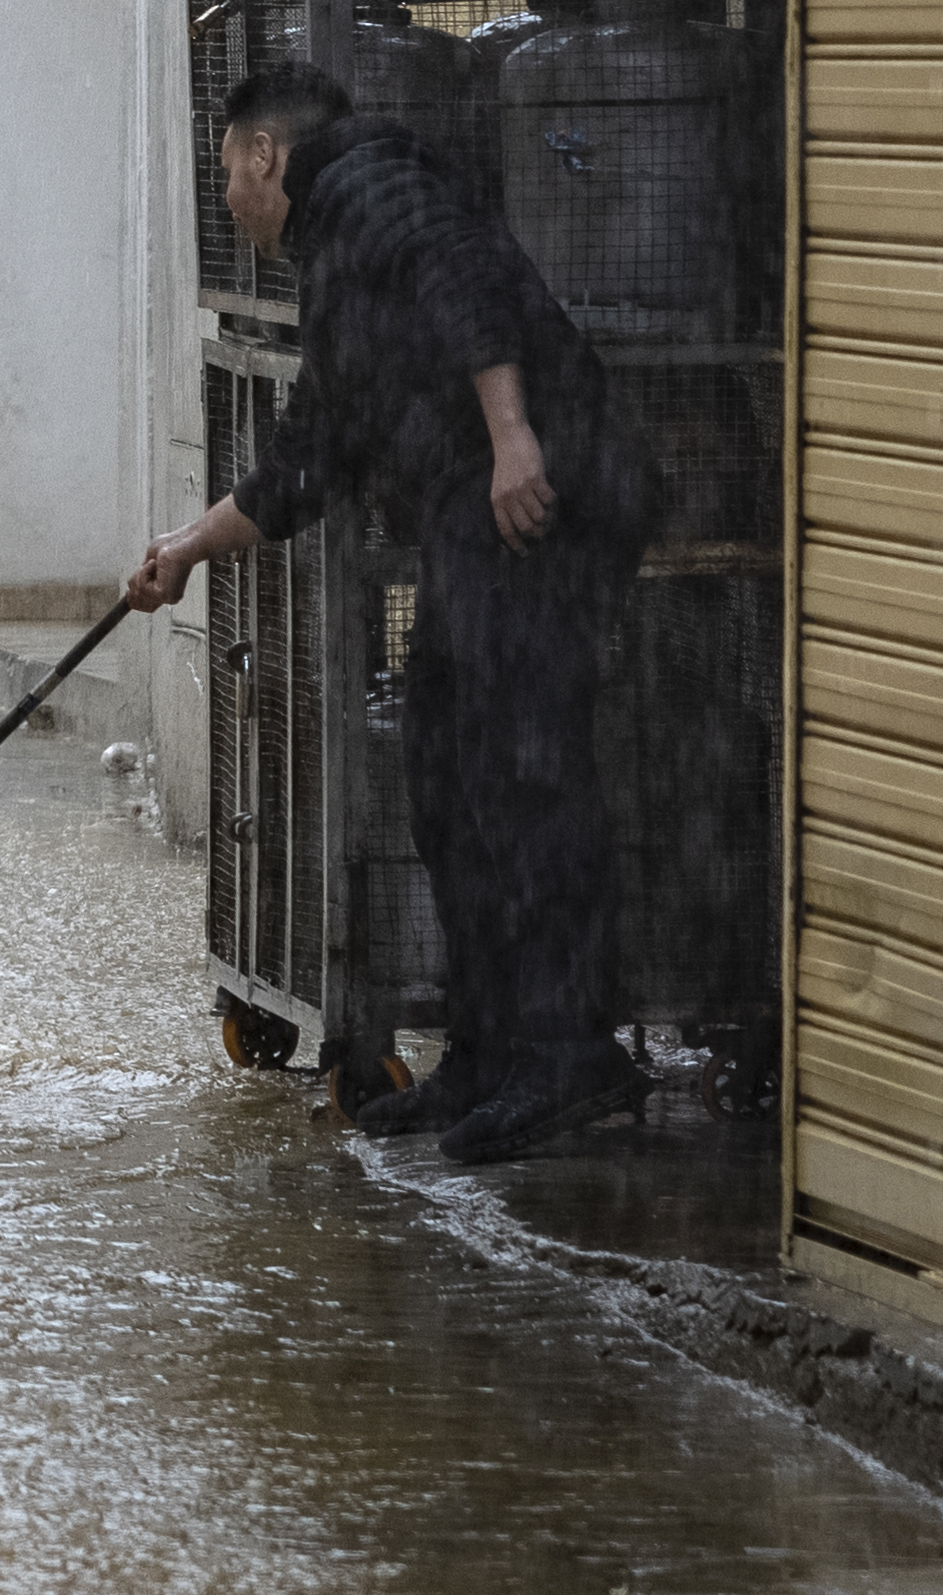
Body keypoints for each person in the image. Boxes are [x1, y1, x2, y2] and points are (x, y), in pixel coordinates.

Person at [126, 58, 661, 1162]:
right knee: (445, 774)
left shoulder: (368, 183)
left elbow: (467, 272)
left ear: (267, 155)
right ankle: (489, 1055)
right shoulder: (337, 266)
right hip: (485, 529)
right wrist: (184, 551)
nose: (227, 198)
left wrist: (514, 436)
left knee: (521, 777)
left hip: (542, 507)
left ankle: (570, 1056)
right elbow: (303, 464)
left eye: (228, 170)